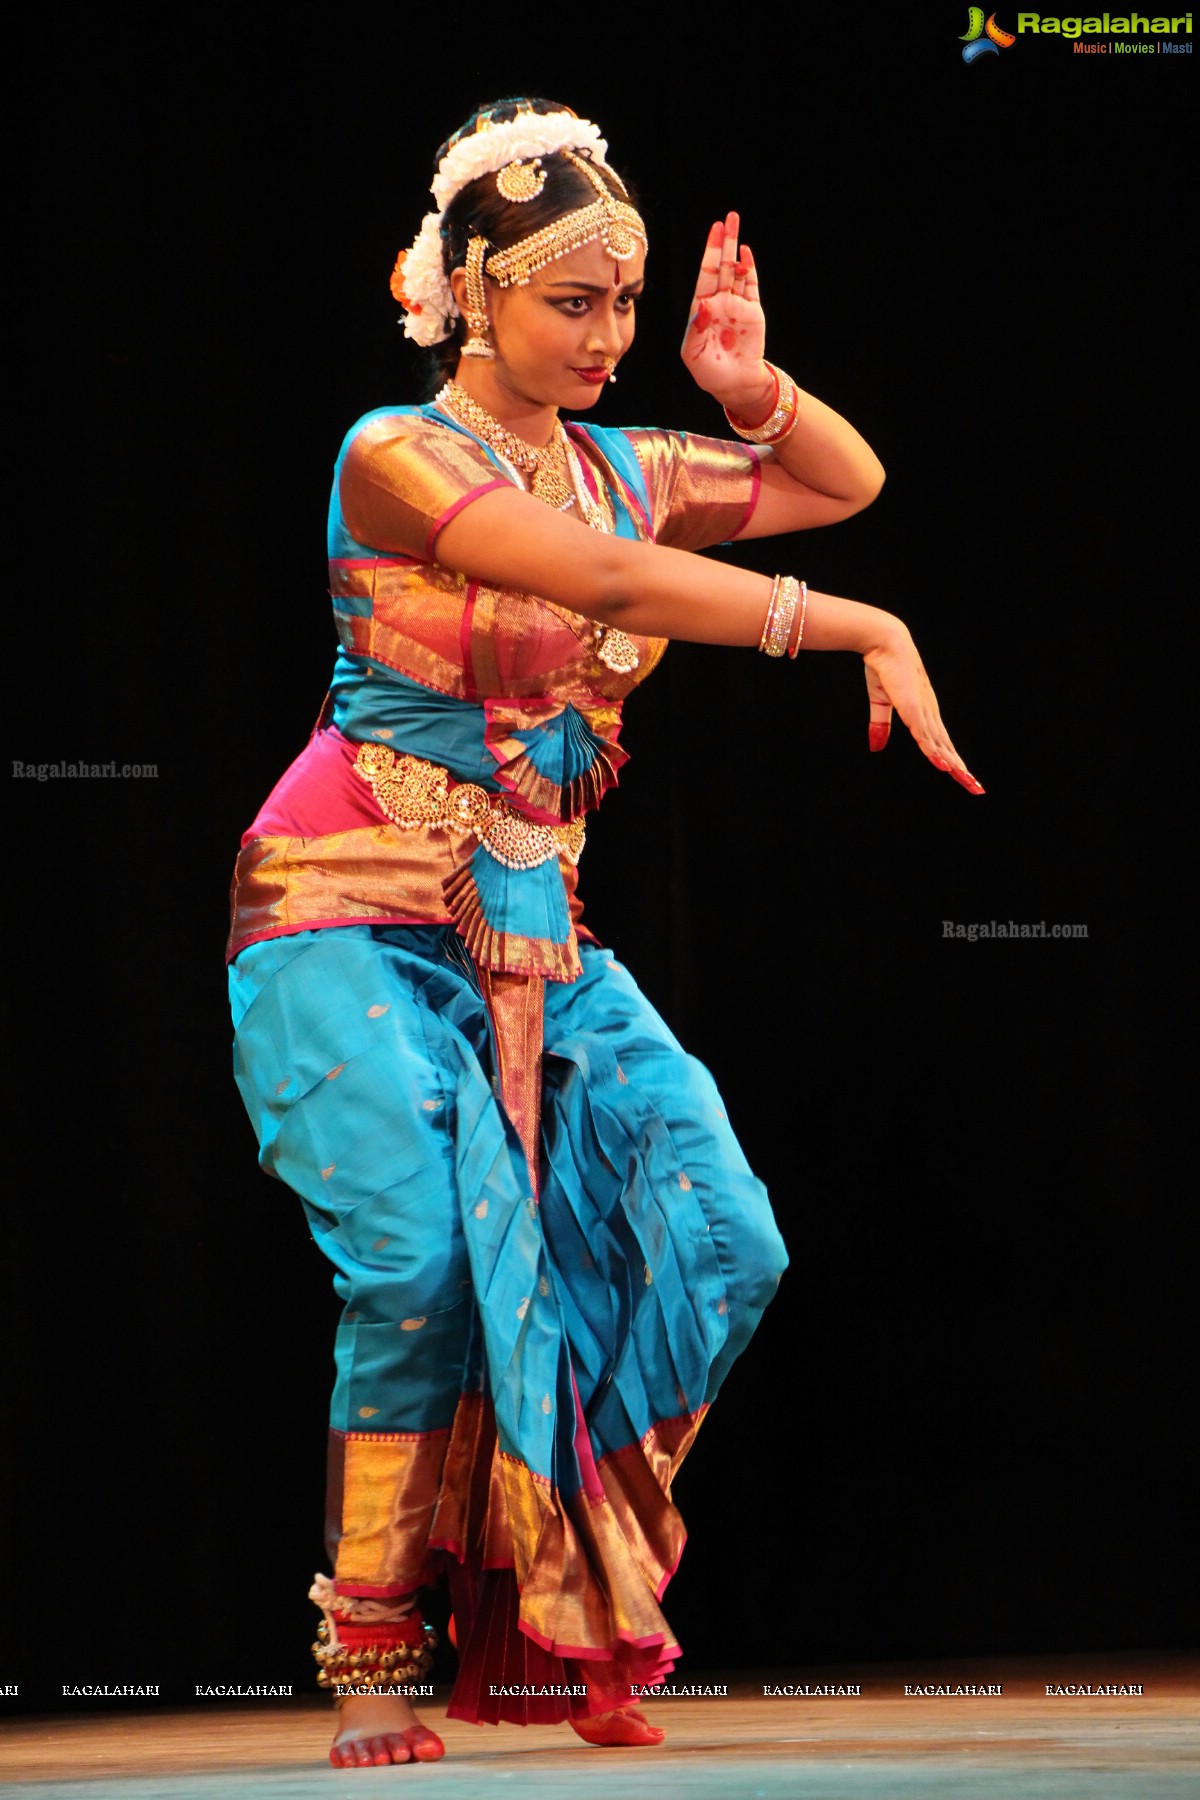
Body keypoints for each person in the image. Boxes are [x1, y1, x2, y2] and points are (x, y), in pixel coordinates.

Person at [226, 96, 983, 1772]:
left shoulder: (626, 463)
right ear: (474, 289)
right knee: (418, 1268)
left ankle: (564, 1581)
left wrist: (748, 389)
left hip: (530, 929)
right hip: (344, 908)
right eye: (574, 299)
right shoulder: (395, 454)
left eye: (625, 304)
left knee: (723, 1230)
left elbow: (839, 480)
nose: (606, 334)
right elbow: (618, 591)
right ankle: (369, 1657)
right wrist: (862, 627)